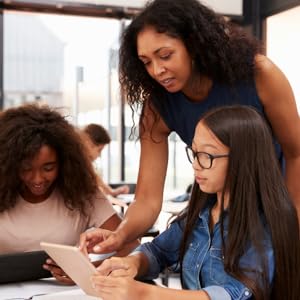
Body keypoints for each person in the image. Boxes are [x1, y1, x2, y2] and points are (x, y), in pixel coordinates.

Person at [80, 0, 300, 254]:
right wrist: (120, 235)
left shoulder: (260, 73)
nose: (157, 71)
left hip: (277, 202)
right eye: (146, 61)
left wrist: (291, 223)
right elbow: (148, 200)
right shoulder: (157, 108)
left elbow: (296, 153)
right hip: (221, 210)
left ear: (194, 44)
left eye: (165, 56)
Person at [89, 106, 300, 300]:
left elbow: (232, 292)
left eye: (207, 155)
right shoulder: (200, 214)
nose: (196, 165)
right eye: (194, 153)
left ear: (242, 159)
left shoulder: (267, 224)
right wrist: (131, 263)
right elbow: (157, 251)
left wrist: (145, 293)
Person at [0, 104, 138, 283]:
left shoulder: (82, 193)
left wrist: (86, 271)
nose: (37, 179)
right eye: (26, 169)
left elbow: (132, 247)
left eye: (48, 168)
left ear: (64, 162)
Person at [81, 123, 130, 197]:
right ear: (88, 143)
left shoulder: (86, 165)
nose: (99, 155)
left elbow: (96, 178)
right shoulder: (76, 164)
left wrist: (113, 192)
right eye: (99, 150)